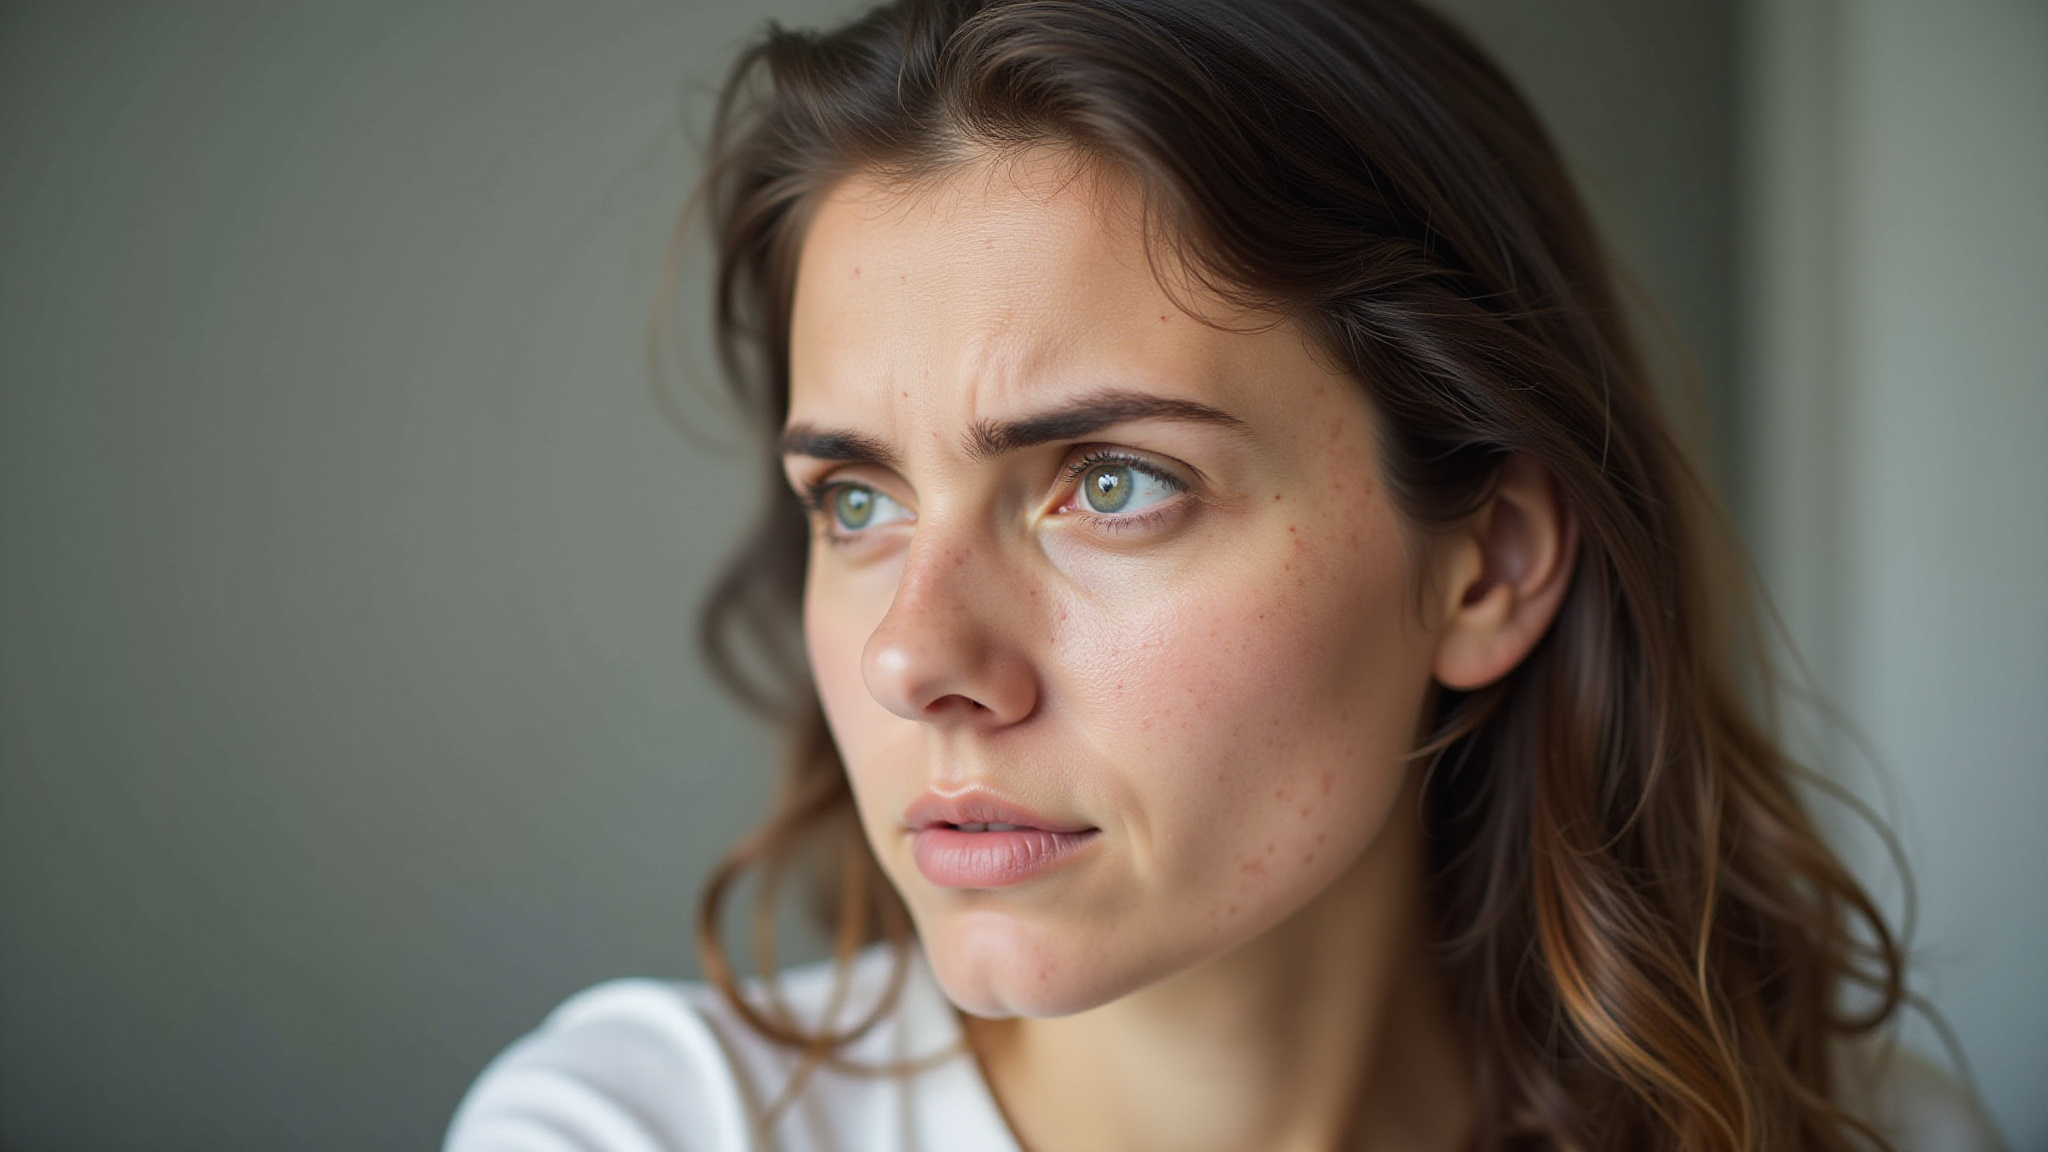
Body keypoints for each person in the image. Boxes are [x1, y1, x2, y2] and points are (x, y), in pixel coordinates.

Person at [445, 1, 2004, 1149]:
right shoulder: (639, 1126)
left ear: (1488, 565)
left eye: (1110, 485)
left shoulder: (1854, 1133)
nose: (914, 658)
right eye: (856, 498)